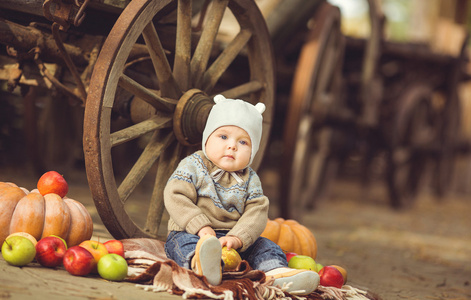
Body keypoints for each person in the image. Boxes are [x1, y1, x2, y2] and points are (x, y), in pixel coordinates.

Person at [164, 94, 319, 294]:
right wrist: (200, 227)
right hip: (191, 231)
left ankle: (276, 272)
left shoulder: (250, 179)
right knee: (182, 244)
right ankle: (201, 263)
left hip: (232, 239)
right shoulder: (193, 165)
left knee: (266, 245)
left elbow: (256, 212)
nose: (232, 146)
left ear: (253, 150)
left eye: (243, 142)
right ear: (207, 138)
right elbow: (175, 195)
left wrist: (238, 238)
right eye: (223, 136)